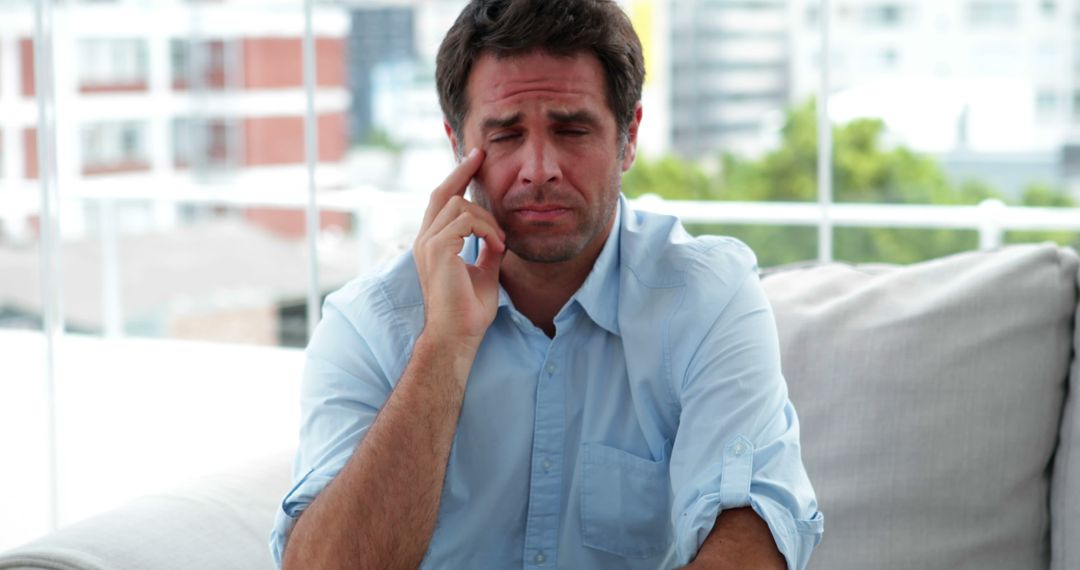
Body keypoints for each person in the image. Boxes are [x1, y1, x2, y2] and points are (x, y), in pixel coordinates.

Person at [270, 0, 823, 568]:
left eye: (572, 128)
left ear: (628, 136)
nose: (539, 168)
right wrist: (443, 345)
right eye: (506, 136)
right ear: (457, 145)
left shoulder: (707, 299)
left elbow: (753, 528)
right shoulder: (370, 321)